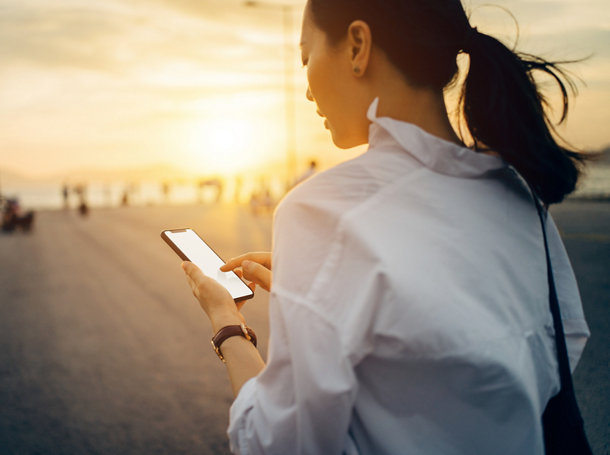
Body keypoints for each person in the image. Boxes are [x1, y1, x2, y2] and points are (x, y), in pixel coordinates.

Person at [179, 1, 590, 453]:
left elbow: (276, 443)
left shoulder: (323, 211)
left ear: (357, 45)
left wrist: (226, 323)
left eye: (305, 57)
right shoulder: (519, 193)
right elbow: (555, 349)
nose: (308, 91)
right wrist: (335, 297)